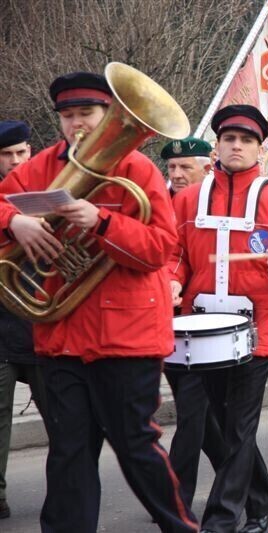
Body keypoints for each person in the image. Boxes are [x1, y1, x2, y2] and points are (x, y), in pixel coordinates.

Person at [0, 71, 197, 532]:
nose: (76, 124)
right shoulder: (40, 167)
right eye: (67, 116)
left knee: (135, 446)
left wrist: (100, 223)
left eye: (85, 113)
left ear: (107, 113)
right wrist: (13, 222)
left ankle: (181, 527)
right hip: (60, 336)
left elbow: (160, 250)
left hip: (127, 339)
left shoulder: (137, 169)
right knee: (68, 451)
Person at [169, 105, 268, 533]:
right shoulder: (187, 199)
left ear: (259, 149)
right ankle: (263, 501)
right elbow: (173, 256)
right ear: (217, 144)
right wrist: (171, 281)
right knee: (224, 426)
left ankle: (221, 520)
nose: (237, 146)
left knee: (240, 426)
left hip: (258, 330)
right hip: (197, 331)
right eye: (230, 139)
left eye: (247, 140)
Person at [160, 137, 228, 514]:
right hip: (162, 323)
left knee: (191, 411)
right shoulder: (157, 201)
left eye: (185, 167)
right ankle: (249, 485)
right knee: (203, 418)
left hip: (204, 323)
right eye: (171, 168)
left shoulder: (216, 203)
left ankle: (176, 500)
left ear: (207, 167)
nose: (176, 174)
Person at [0, 119, 41, 521]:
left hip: (44, 323)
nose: (15, 161)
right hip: (1, 326)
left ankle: (68, 492)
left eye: (21, 152)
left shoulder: (48, 188)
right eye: (7, 155)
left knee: (65, 421)